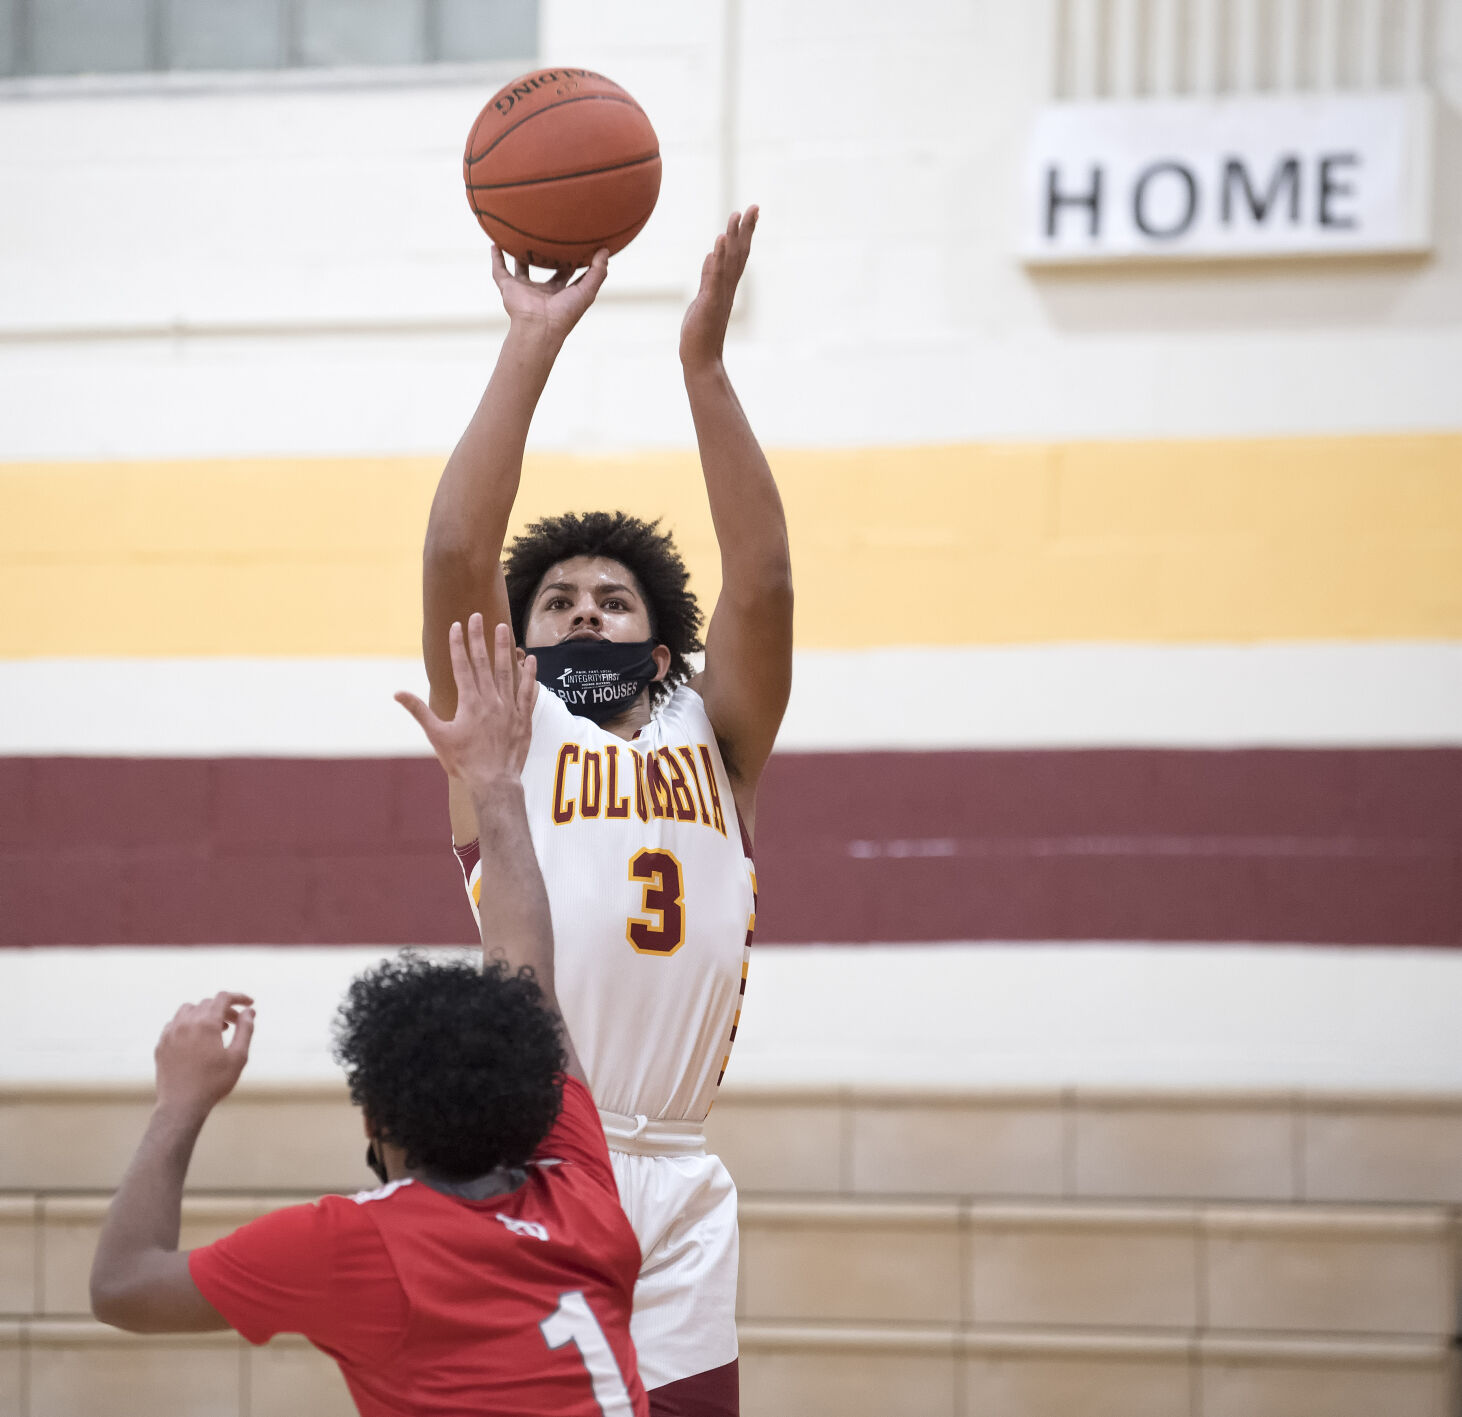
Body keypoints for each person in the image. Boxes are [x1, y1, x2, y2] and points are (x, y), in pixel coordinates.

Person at [90, 615, 649, 1417]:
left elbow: (122, 1285)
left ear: (378, 1121)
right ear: (530, 1097)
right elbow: (529, 975)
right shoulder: (580, 1191)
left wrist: (180, 1101)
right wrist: (494, 783)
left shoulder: (357, 1244)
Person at [421, 209, 793, 1415]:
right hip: (531, 1155)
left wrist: (706, 371)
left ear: (664, 638)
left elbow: (769, 580)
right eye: (560, 600)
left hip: (678, 1169)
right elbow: (452, 551)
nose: (584, 612)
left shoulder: (716, 739)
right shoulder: (503, 727)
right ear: (514, 642)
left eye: (614, 600)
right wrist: (530, 341)